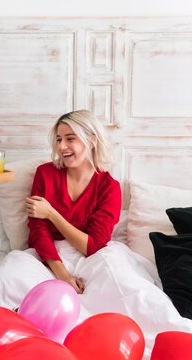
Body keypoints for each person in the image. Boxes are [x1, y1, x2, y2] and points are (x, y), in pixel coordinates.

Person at [26, 110, 122, 294]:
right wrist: (63, 275)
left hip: (91, 258)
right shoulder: (45, 174)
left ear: (92, 141)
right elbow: (38, 231)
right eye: (59, 139)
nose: (62, 146)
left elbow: (94, 247)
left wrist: (51, 214)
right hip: (48, 256)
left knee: (117, 289)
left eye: (70, 139)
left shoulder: (109, 187)